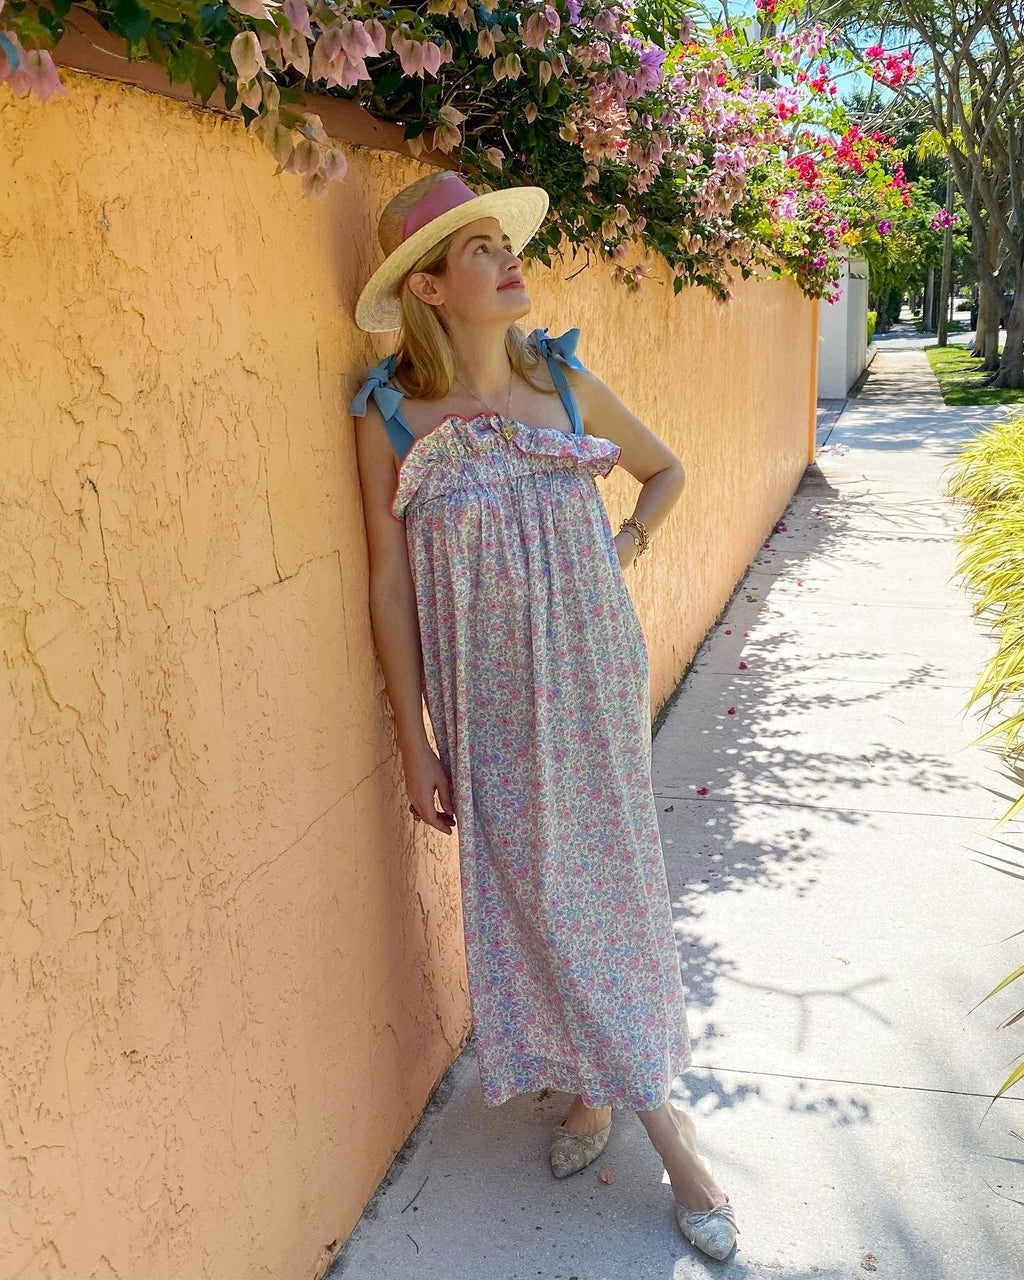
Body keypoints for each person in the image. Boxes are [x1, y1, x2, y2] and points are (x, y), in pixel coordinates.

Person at [350, 169, 738, 1261]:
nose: (510, 258)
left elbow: (664, 472)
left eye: (502, 243)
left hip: (592, 673)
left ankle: (648, 1119)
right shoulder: (389, 416)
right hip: (487, 696)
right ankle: (615, 1097)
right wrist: (414, 739)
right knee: (541, 897)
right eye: (480, 249)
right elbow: (386, 589)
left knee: (600, 888)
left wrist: (624, 549)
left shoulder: (564, 386)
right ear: (429, 285)